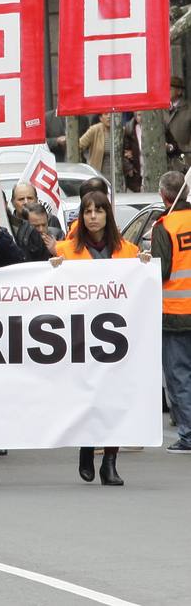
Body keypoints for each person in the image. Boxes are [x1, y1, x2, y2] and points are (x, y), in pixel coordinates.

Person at [52, 190, 148, 485]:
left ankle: (110, 461)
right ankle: (85, 446)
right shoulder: (65, 250)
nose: (93, 217)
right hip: (80, 337)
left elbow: (140, 286)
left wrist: (146, 266)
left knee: (115, 398)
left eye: (99, 211)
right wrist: (53, 268)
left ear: (108, 215)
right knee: (86, 396)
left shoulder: (129, 251)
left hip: (117, 338)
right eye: (87, 211)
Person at [152, 171, 191, 455]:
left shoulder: (165, 226)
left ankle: (189, 435)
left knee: (179, 376)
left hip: (176, 313)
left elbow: (160, 271)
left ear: (164, 196)